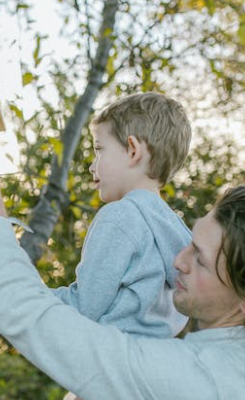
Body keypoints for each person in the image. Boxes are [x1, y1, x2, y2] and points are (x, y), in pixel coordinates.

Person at [0, 132, 245, 400]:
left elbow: (32, 317)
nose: (178, 260)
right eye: (190, 243)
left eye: (199, 260)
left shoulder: (200, 380)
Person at [48, 93, 192, 339]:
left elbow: (85, 307)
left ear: (133, 150)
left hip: (111, 360)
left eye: (99, 150)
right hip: (156, 357)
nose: (92, 166)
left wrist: (29, 294)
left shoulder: (120, 216)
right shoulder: (173, 226)